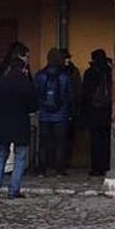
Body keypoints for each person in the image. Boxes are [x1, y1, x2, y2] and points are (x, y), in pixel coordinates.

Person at [0, 43, 37, 198]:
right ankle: (13, 190)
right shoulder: (25, 84)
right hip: (20, 125)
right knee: (20, 157)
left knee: (0, 156)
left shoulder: (0, 83)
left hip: (2, 124)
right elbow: (33, 105)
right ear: (23, 68)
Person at [33, 48, 76, 177]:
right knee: (60, 143)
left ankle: (42, 170)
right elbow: (70, 96)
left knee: (43, 143)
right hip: (61, 115)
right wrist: (71, 113)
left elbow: (35, 94)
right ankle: (59, 170)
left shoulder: (40, 75)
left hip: (44, 115)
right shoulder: (65, 76)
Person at [81, 49, 113, 177]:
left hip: (93, 112)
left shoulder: (90, 73)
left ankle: (96, 167)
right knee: (106, 140)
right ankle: (106, 165)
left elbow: (85, 94)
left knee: (95, 141)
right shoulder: (109, 72)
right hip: (108, 111)